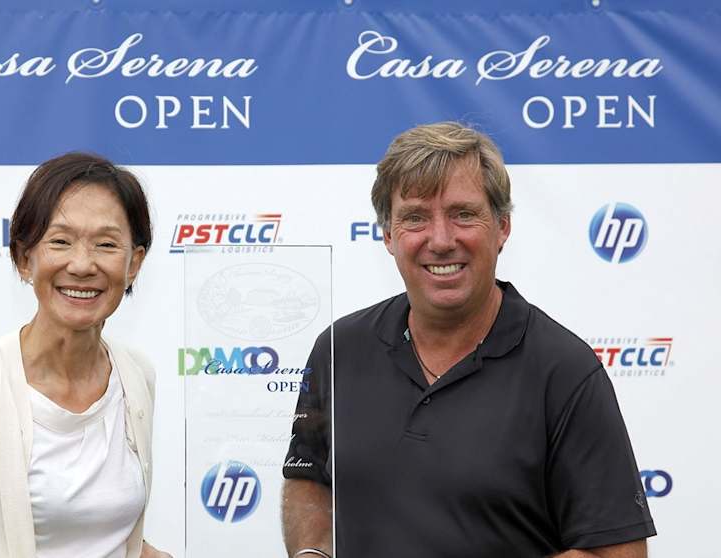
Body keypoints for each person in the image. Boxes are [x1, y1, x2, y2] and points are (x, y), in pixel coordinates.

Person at [281, 123, 656, 558]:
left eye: (463, 214)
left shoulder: (565, 371)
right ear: (387, 236)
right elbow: (308, 476)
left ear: (502, 227)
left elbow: (618, 554)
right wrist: (313, 553)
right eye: (416, 217)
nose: (441, 240)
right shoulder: (338, 349)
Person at [0, 153, 171, 558]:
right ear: (25, 258)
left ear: (134, 264)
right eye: (60, 241)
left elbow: (101, 536)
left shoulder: (135, 376)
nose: (82, 264)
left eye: (106, 244)